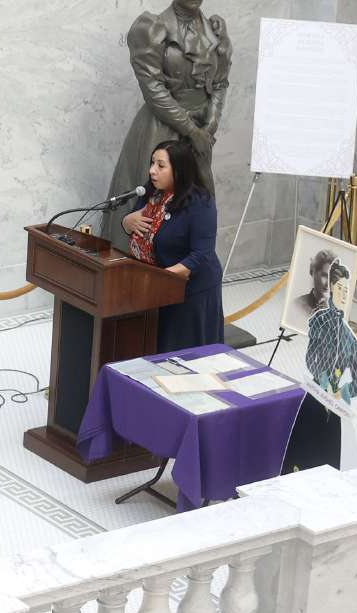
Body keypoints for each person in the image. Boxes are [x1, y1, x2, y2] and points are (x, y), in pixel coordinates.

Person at [102, 0, 231, 252]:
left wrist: (209, 127)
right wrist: (192, 131)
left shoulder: (214, 30)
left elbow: (220, 83)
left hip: (201, 134)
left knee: (198, 203)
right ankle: (134, 274)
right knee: (147, 202)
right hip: (160, 129)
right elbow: (153, 91)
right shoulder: (151, 27)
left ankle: (186, 274)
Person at [122, 139, 223, 353]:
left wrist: (162, 280)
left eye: (160, 166)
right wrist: (126, 222)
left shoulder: (200, 201)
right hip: (157, 289)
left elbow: (201, 254)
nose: (152, 171)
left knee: (183, 355)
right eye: (152, 163)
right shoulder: (152, 193)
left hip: (191, 291)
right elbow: (136, 227)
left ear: (179, 170)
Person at [306, 260, 357, 403]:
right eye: (340, 288)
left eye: (346, 291)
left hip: (339, 404)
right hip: (317, 393)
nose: (343, 295)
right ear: (331, 287)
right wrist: (324, 384)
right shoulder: (320, 320)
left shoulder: (350, 338)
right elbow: (310, 358)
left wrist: (341, 392)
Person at [289, 249, 337, 327]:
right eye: (325, 275)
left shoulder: (337, 309)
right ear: (313, 272)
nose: (328, 283)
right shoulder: (298, 305)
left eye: (332, 277)